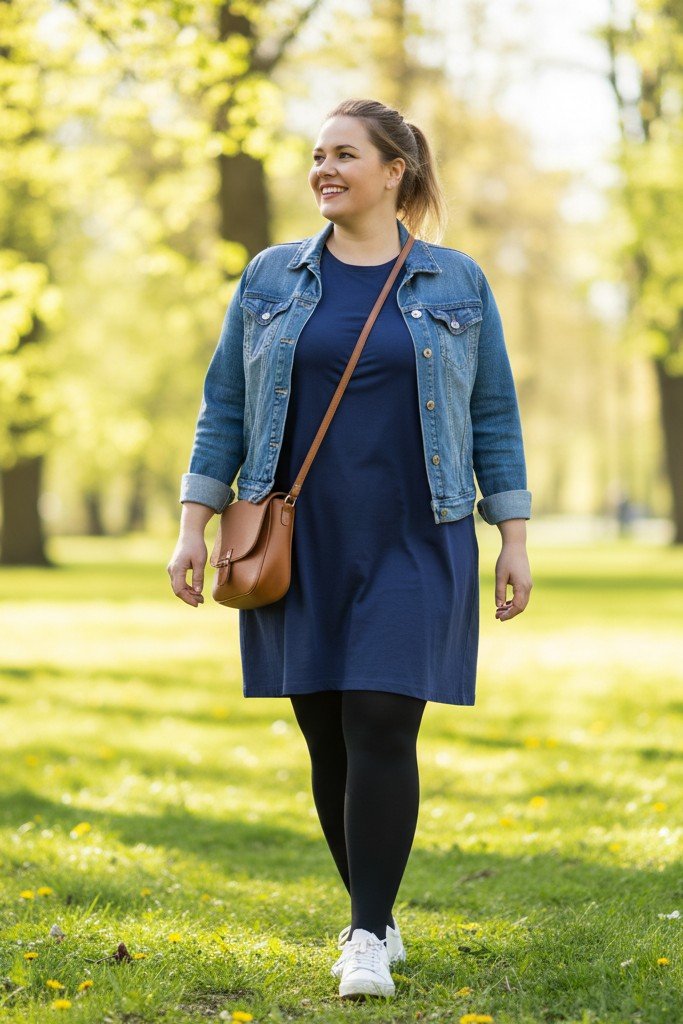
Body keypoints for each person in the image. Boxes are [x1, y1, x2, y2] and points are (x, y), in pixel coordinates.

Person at [167, 97, 533, 1000]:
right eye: (316, 155)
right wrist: (192, 523)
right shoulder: (270, 279)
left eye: (343, 154)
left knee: (380, 718)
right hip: (300, 537)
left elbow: (492, 414)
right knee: (325, 734)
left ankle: (364, 934)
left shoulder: (455, 282)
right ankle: (379, 906)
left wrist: (512, 538)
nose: (322, 169)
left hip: (418, 533)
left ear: (393, 171)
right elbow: (225, 407)